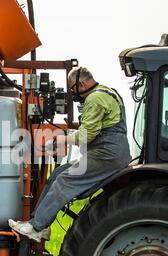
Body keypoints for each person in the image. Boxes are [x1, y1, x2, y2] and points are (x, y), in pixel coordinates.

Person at [9, 67, 131, 242]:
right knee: (57, 174)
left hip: (107, 153)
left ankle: (35, 227)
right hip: (109, 151)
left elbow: (85, 137)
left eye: (72, 89)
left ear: (80, 84)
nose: (73, 94)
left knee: (65, 179)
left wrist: (61, 140)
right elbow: (98, 125)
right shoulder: (108, 92)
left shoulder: (95, 98)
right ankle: (42, 225)